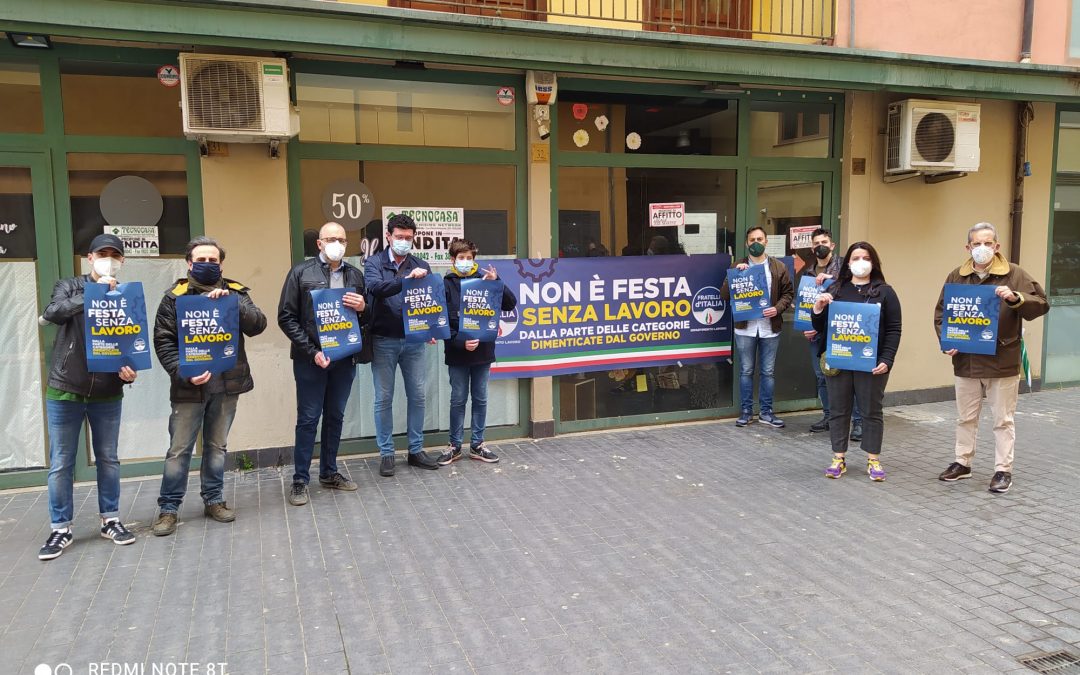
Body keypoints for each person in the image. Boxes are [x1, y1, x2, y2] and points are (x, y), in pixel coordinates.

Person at [150, 236, 267, 536]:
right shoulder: (173, 298)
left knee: (217, 447)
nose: (206, 265)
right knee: (179, 450)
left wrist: (231, 303)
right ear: (189, 263)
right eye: (200, 260)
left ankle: (213, 499)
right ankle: (169, 509)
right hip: (189, 388)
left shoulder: (235, 292)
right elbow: (163, 341)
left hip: (226, 387)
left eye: (212, 261)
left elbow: (258, 324)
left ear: (221, 264)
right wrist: (182, 373)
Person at [38, 233, 138, 560]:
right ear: (90, 258)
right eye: (102, 253)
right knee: (62, 462)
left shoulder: (126, 294)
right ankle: (60, 528)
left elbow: (129, 341)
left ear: (122, 261)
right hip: (65, 388)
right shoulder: (70, 286)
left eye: (115, 254)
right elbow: (53, 312)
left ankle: (111, 519)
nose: (109, 258)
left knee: (108, 459)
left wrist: (130, 369)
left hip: (107, 393)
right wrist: (94, 295)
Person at [934, 222, 1049, 494]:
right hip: (967, 360)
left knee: (1003, 420)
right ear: (968, 247)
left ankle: (1002, 470)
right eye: (976, 244)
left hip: (1002, 359)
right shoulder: (956, 277)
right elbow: (942, 314)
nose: (982, 248)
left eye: (988, 243)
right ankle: (962, 463)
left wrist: (1016, 297)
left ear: (997, 246)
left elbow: (1041, 303)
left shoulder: (1014, 274)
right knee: (965, 417)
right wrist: (947, 341)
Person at [278, 222, 369, 507]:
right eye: (331, 238)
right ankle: (300, 480)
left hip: (344, 359)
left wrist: (364, 308)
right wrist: (311, 351)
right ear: (319, 243)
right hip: (311, 360)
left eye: (342, 239)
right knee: (308, 419)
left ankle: (329, 472)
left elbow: (366, 320)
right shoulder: (300, 273)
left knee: (335, 417)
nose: (337, 244)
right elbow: (286, 317)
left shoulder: (355, 274)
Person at [812, 242, 902, 482]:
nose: (860, 262)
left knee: (871, 410)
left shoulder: (886, 292)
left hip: (871, 364)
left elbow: (894, 329)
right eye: (855, 257)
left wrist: (887, 359)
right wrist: (818, 308)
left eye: (865, 257)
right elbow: (819, 327)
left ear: (873, 262)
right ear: (848, 263)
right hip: (840, 361)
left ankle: (873, 459)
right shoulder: (836, 289)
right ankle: (838, 458)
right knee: (839, 410)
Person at [365, 213, 441, 476]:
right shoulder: (373, 263)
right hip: (383, 339)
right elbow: (376, 289)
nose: (404, 242)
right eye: (399, 237)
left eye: (408, 238)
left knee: (418, 396)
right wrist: (406, 280)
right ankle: (386, 453)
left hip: (414, 341)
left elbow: (427, 301)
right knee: (383, 398)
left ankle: (415, 450)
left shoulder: (421, 264)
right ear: (388, 236)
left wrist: (430, 328)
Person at [437, 239, 518, 465]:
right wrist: (459, 342)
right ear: (452, 260)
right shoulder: (444, 285)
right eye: (460, 258)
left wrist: (497, 281)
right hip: (457, 353)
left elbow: (510, 304)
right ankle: (454, 446)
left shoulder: (486, 281)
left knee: (480, 398)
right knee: (458, 399)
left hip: (483, 353)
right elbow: (441, 322)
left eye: (469, 258)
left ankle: (477, 444)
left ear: (474, 259)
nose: (465, 262)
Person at [721, 227, 794, 428]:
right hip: (745, 328)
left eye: (759, 239)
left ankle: (766, 412)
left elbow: (788, 294)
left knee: (768, 372)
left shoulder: (779, 267)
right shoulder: (738, 266)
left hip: (770, 327)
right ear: (746, 243)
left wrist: (777, 308)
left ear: (766, 241)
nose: (756, 242)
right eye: (752, 239)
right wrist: (735, 276)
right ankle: (746, 412)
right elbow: (724, 295)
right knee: (746, 371)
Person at [800, 228, 863, 440]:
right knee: (821, 376)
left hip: (840, 332)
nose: (821, 246)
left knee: (847, 378)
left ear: (832, 245)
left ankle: (858, 422)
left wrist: (833, 279)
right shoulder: (808, 273)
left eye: (824, 242)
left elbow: (853, 292)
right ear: (812, 247)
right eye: (816, 243)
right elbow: (805, 305)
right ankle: (828, 416)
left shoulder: (846, 268)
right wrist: (806, 326)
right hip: (817, 333)